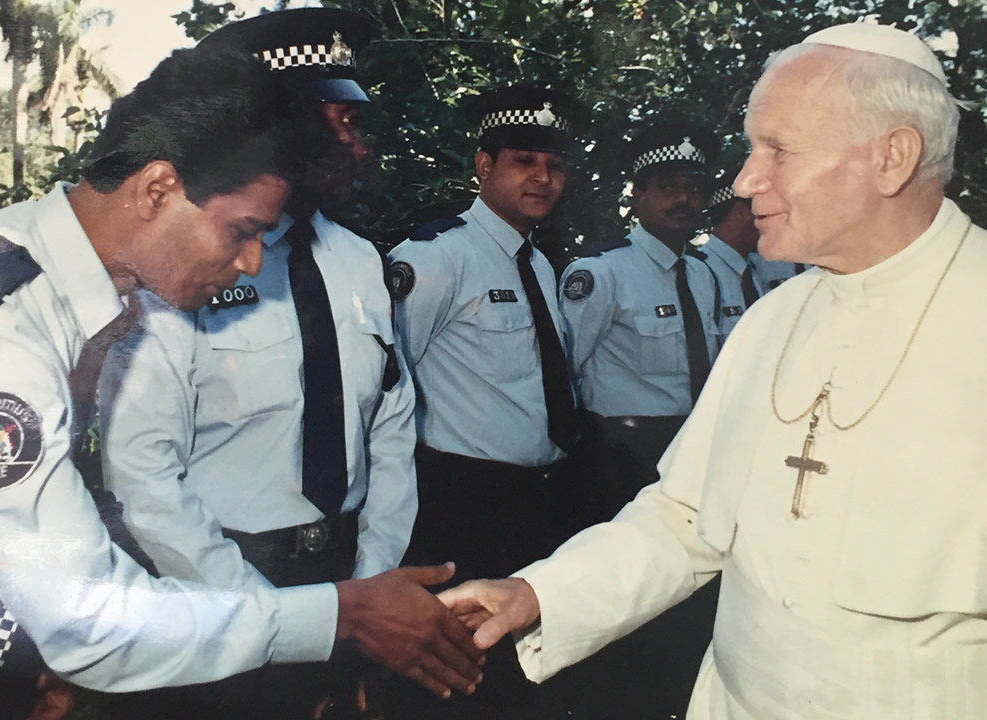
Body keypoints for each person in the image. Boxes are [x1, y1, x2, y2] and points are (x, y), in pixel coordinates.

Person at [0, 45, 482, 720]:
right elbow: (84, 613)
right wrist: (341, 615)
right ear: (157, 190)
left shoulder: (52, 285)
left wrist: (41, 661)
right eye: (241, 231)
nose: (253, 261)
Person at [440, 22, 987, 720]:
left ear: (891, 157)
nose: (746, 181)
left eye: (778, 149)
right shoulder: (774, 318)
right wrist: (541, 592)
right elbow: (686, 518)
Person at [97, 9, 417, 719]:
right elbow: (142, 471)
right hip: (214, 586)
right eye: (340, 123)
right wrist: (267, 619)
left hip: (346, 571)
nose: (357, 146)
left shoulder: (361, 262)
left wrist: (368, 588)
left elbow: (391, 433)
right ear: (278, 128)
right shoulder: (183, 260)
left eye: (356, 123)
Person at [384, 85, 587, 718]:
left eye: (554, 164)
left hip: (539, 500)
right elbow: (383, 388)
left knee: (526, 678)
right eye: (524, 161)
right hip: (461, 504)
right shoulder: (436, 256)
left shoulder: (541, 265)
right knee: (459, 681)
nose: (542, 177)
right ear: (483, 165)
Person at [558, 120, 722, 524]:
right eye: (668, 187)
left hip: (694, 447)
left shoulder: (703, 275)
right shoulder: (602, 273)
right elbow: (564, 371)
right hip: (622, 457)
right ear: (638, 194)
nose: (683, 199)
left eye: (693, 188)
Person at [700, 173, 804, 322]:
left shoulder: (753, 268)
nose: (771, 221)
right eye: (765, 212)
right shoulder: (699, 273)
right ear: (741, 213)